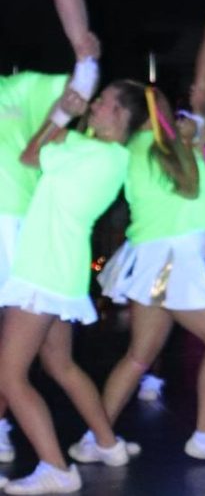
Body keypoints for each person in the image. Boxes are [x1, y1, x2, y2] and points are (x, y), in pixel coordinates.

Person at [0, 81, 139, 495]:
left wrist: (61, 114)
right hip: (62, 268)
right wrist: (66, 119)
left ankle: (56, 468)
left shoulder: (91, 151)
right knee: (60, 365)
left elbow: (30, 156)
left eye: (104, 103)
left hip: (42, 268)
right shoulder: (114, 157)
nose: (95, 106)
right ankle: (108, 443)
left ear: (123, 117)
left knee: (9, 376)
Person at [97, 89, 205, 465]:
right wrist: (192, 136)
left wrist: (193, 137)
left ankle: (95, 438)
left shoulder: (152, 147)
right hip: (170, 260)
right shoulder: (154, 148)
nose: (173, 113)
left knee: (139, 355)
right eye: (165, 106)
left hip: (163, 258)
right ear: (152, 112)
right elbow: (190, 185)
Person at [0, 69, 70, 465]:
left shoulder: (19, 87)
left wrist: (85, 53)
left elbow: (77, 85)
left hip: (14, 223)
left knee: (24, 347)